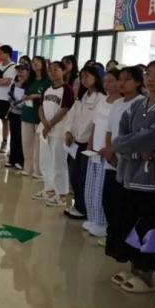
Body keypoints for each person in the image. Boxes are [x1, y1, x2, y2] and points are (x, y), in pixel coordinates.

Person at [111, 61, 155, 294]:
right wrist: (136, 151)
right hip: (130, 175)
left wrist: (132, 144)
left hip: (150, 181)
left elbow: (153, 138)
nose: (150, 79)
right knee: (130, 225)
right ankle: (133, 268)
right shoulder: (137, 105)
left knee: (148, 227)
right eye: (148, 74)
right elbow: (120, 139)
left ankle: (146, 275)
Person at [104, 66, 145, 257]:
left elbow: (135, 135)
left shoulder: (140, 103)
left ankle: (124, 251)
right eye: (120, 79)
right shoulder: (118, 102)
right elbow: (109, 131)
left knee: (124, 208)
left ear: (137, 82)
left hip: (128, 163)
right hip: (112, 161)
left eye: (127, 79)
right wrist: (109, 152)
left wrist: (116, 151)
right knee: (109, 203)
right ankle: (113, 245)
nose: (122, 83)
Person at [82, 68, 121, 237]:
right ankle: (92, 218)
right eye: (105, 81)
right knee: (90, 187)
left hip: (108, 152)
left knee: (101, 189)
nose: (107, 84)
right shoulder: (103, 100)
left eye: (111, 81)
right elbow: (95, 123)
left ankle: (102, 223)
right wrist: (90, 142)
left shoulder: (121, 103)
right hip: (95, 150)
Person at [64, 65, 105, 219]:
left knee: (84, 177)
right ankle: (78, 205)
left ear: (96, 78)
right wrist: (68, 131)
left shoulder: (101, 98)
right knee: (74, 175)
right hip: (75, 142)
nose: (84, 80)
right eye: (82, 77)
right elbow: (72, 115)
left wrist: (84, 138)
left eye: (87, 76)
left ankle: (83, 208)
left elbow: (94, 122)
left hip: (88, 143)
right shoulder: (82, 96)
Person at [36, 61, 74, 207]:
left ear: (63, 71)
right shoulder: (47, 88)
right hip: (45, 130)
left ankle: (62, 195)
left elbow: (64, 109)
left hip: (58, 131)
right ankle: (50, 190)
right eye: (50, 70)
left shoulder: (67, 89)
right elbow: (40, 107)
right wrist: (45, 123)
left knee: (59, 163)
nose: (52, 72)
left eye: (56, 70)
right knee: (45, 162)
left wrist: (50, 124)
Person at [20, 56, 50, 179]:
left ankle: (38, 171)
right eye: (33, 63)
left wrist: (36, 96)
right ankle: (27, 168)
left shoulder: (47, 81)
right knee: (27, 144)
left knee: (38, 145)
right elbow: (24, 93)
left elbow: (47, 96)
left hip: (39, 116)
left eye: (37, 62)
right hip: (27, 113)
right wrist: (25, 96)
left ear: (43, 64)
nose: (35, 64)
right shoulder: (30, 80)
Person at [5, 64, 29, 169]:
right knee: (13, 137)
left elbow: (27, 99)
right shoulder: (15, 83)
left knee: (21, 138)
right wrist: (13, 103)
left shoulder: (29, 84)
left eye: (22, 70)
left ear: (27, 71)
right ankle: (12, 159)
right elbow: (9, 95)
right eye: (18, 70)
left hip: (23, 114)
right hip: (13, 113)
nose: (20, 72)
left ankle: (20, 161)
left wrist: (18, 104)